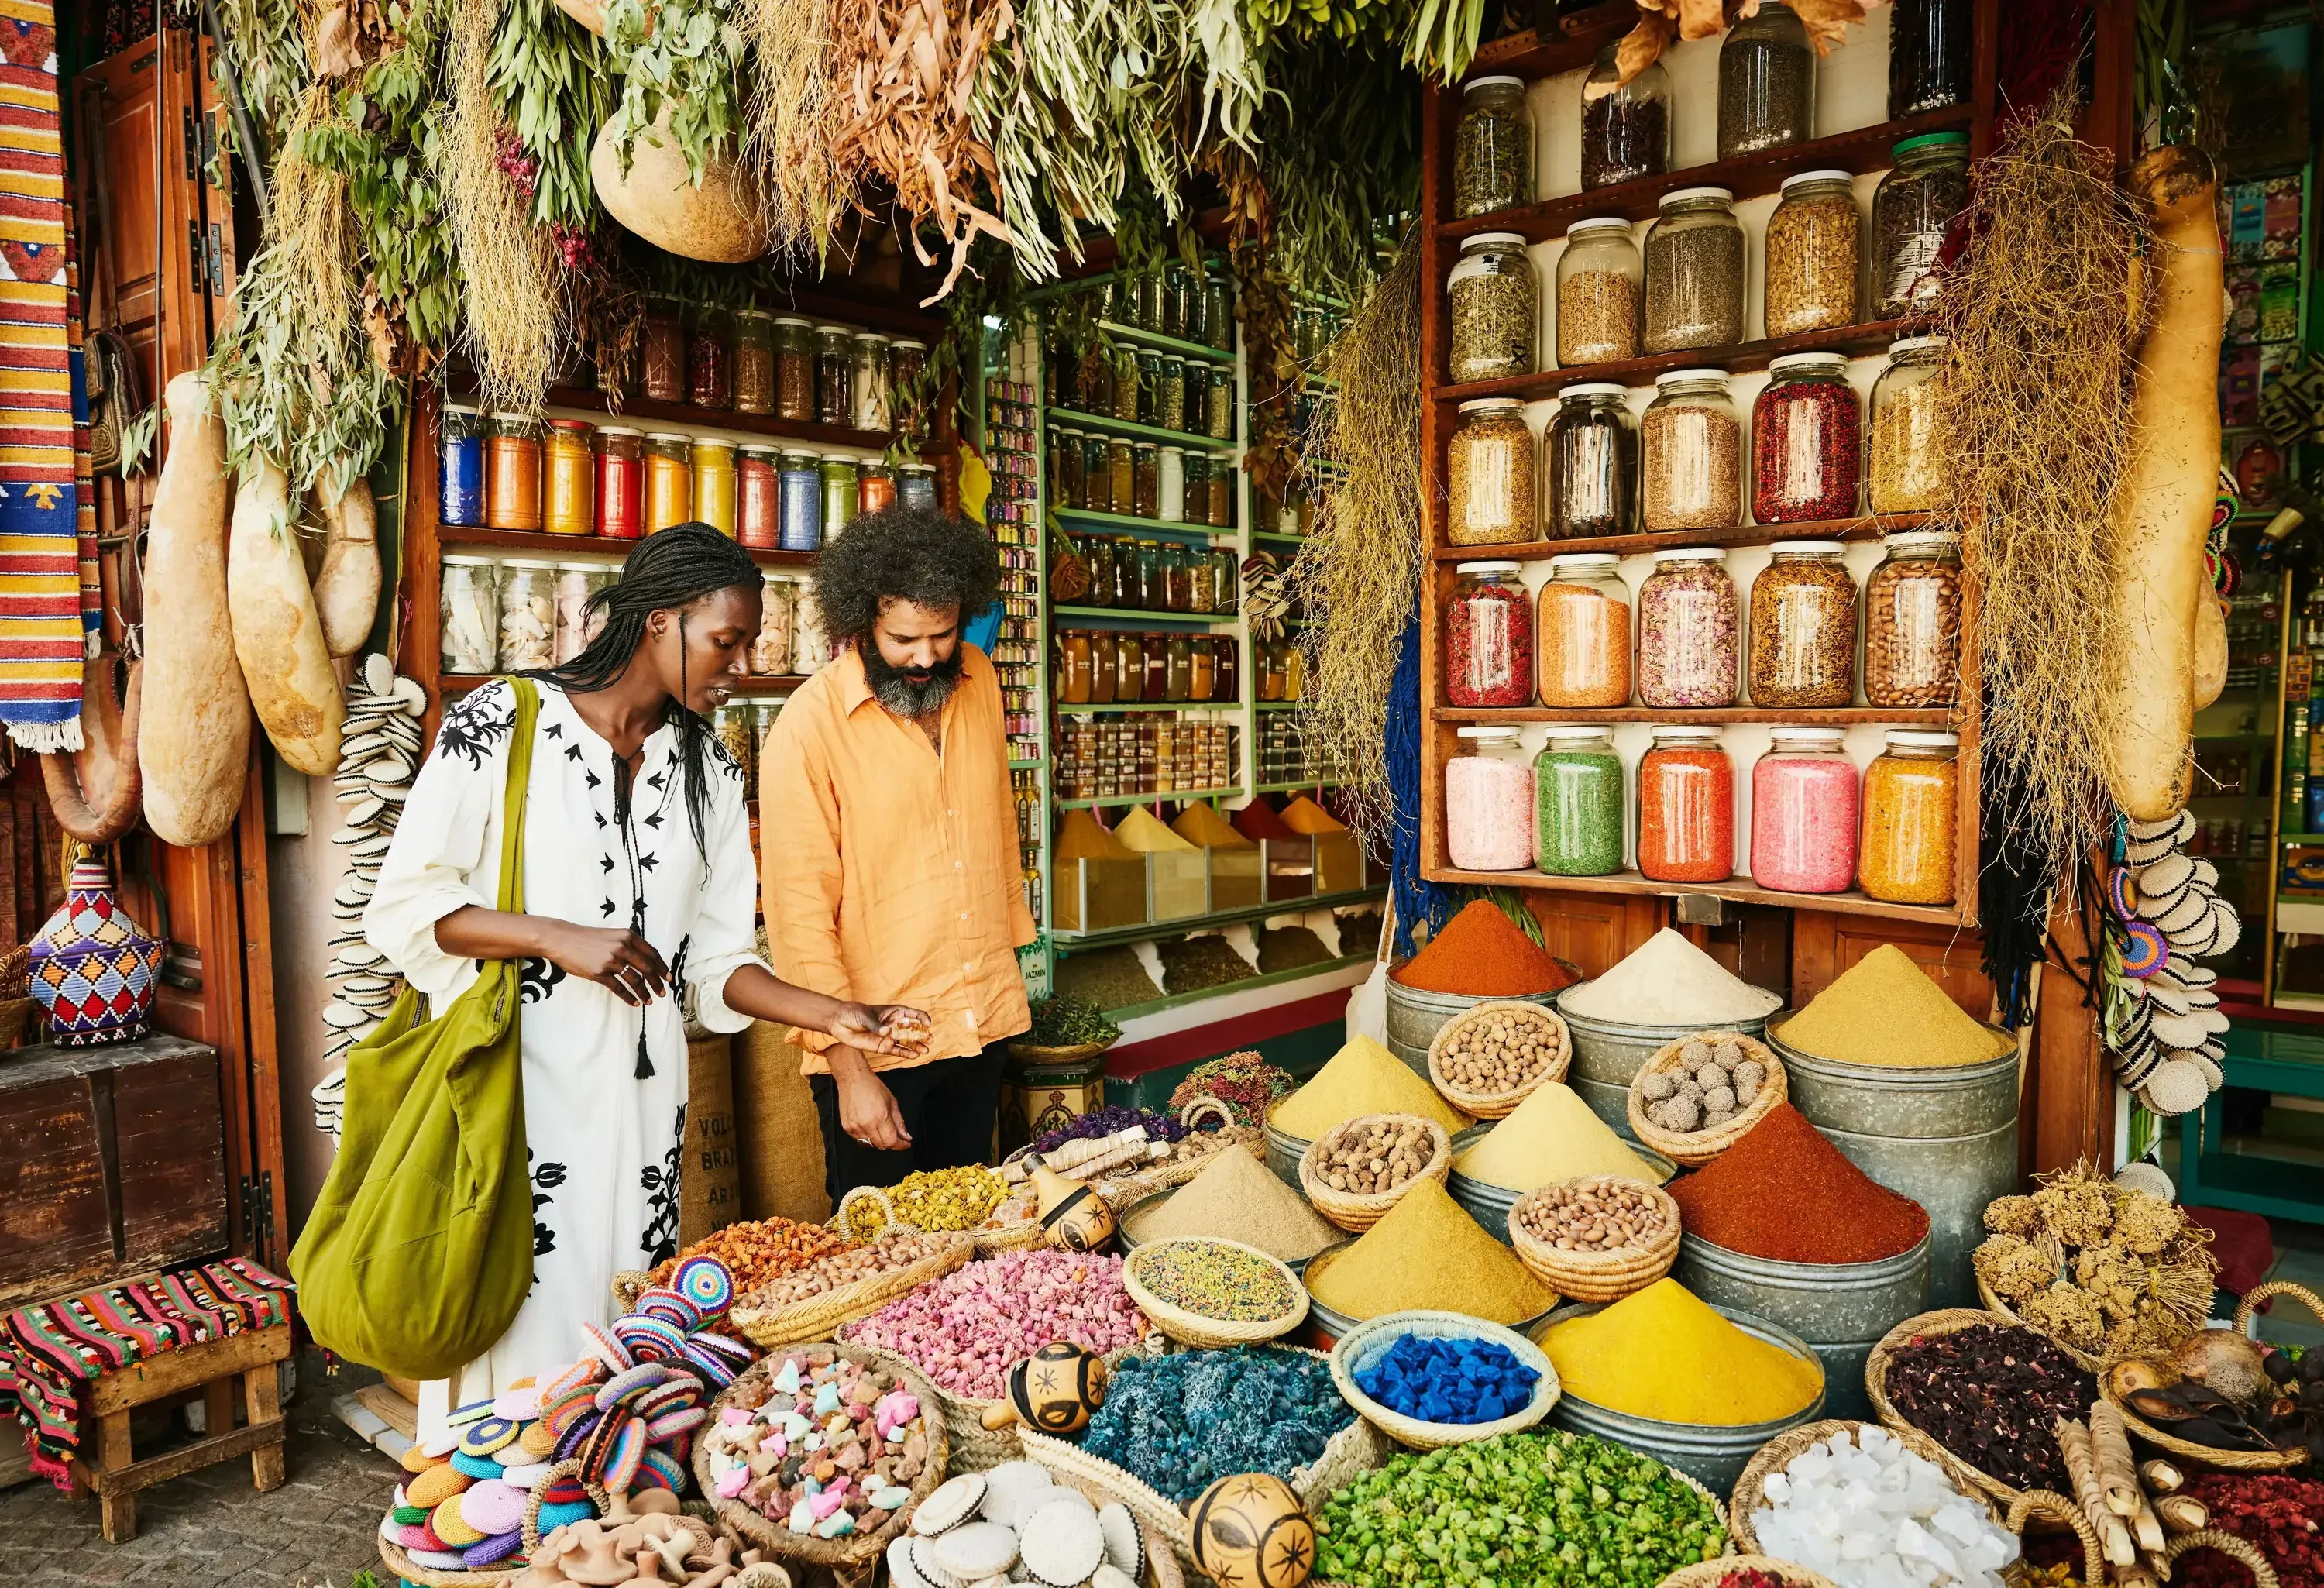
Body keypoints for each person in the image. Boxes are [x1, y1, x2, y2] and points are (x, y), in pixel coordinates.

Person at [365, 524, 927, 1430]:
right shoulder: (500, 725)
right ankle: (493, 1536)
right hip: (517, 1097)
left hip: (643, 1110)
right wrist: (555, 936)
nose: (739, 665)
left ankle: (609, 1525)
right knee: (519, 1341)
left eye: (748, 645)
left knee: (628, 1343)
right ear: (660, 621)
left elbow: (715, 965)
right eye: (726, 641)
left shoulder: (706, 767)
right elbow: (403, 907)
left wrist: (835, 1011)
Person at [760, 503, 1036, 1205]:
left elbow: (998, 831)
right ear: (864, 621)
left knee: (970, 1257)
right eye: (905, 639)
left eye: (942, 635)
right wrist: (850, 1073)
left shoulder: (979, 681)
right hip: (881, 1055)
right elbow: (799, 921)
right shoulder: (809, 728)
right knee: (882, 1272)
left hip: (980, 1027)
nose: (925, 657)